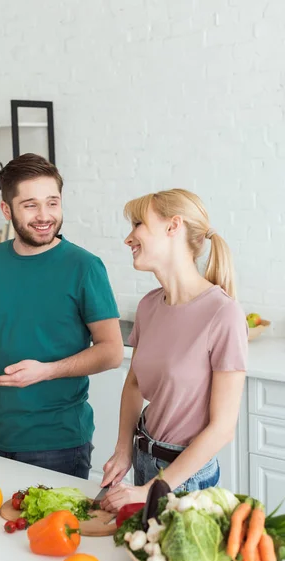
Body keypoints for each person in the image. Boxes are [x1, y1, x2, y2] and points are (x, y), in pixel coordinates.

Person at [0, 153, 123, 479]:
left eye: (52, 203)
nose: (45, 215)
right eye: (30, 205)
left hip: (59, 442)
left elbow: (112, 351)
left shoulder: (84, 267)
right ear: (6, 210)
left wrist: (46, 371)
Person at [100, 188, 248, 512]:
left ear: (173, 227)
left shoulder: (223, 314)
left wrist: (152, 489)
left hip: (186, 480)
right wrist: (124, 449)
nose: (128, 238)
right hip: (143, 462)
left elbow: (222, 429)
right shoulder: (149, 305)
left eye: (138, 224)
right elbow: (135, 383)